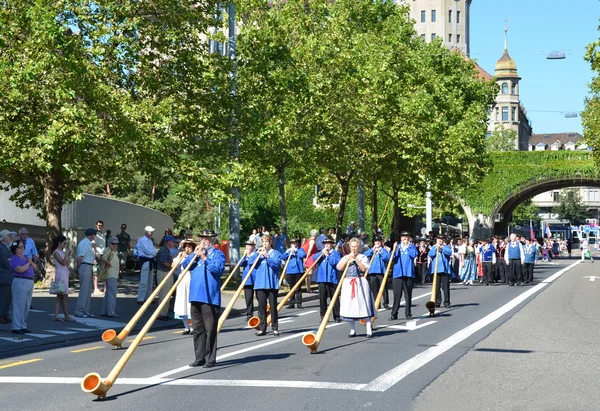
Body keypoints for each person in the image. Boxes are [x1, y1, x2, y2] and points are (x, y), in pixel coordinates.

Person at [186, 230, 225, 368]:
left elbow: (218, 270)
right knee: (197, 329)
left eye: (206, 239)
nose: (203, 241)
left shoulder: (217, 254)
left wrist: (204, 257)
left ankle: (210, 358)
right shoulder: (195, 255)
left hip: (210, 297)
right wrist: (193, 254)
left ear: (212, 240)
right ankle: (199, 357)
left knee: (210, 329)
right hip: (195, 296)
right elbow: (185, 265)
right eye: (202, 238)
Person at [337, 238, 376, 338]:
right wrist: (348, 259)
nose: (354, 248)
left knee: (363, 304)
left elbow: (363, 268)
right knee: (350, 306)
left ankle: (368, 329)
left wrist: (356, 259)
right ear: (349, 247)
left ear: (359, 247)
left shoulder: (363, 257)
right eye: (352, 246)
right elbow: (339, 268)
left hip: (360, 282)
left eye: (356, 246)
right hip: (348, 282)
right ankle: (352, 330)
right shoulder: (346, 257)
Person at [250, 235, 282, 336]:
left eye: (266, 242)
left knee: (273, 307)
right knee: (261, 307)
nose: (264, 244)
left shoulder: (275, 253)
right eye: (263, 242)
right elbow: (250, 263)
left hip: (272, 283)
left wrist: (267, 257)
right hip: (260, 284)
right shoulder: (258, 253)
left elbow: (277, 264)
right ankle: (262, 328)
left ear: (270, 242)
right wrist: (257, 254)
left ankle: (275, 328)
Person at [389, 232, 418, 321]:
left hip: (408, 273)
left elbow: (414, 255)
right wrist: (394, 249)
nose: (404, 238)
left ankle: (408, 313)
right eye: (403, 237)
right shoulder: (397, 246)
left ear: (409, 238)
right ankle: (394, 314)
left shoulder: (412, 246)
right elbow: (391, 258)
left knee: (408, 295)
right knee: (397, 295)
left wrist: (407, 247)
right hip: (398, 274)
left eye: (406, 237)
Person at [10, 239, 36, 334]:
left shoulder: (26, 257)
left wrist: (30, 262)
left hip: (29, 281)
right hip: (20, 280)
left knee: (26, 306)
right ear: (15, 249)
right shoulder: (14, 259)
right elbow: (20, 269)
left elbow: (35, 267)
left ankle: (23, 325)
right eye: (19, 247)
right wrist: (29, 263)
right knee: (19, 305)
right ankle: (16, 326)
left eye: (23, 247)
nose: (22, 249)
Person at [314, 236, 342, 323]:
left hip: (332, 278)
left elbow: (335, 262)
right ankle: (323, 316)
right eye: (326, 244)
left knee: (334, 298)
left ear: (332, 245)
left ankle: (337, 315)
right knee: (322, 298)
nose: (327, 245)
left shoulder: (335, 253)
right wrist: (321, 253)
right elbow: (314, 259)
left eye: (329, 244)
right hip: (322, 278)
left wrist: (327, 255)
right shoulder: (321, 253)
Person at [174, 238, 197, 335]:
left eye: (189, 246)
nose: (187, 248)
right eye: (186, 246)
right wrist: (179, 258)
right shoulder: (181, 255)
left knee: (190, 303)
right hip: (182, 280)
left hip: (191, 279)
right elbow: (173, 266)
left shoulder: (195, 256)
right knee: (182, 302)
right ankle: (186, 327)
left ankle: (192, 327)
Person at [51, 235, 75, 321]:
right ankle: (66, 315)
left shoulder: (63, 253)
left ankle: (56, 314)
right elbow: (63, 263)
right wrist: (67, 254)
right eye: (64, 243)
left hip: (64, 273)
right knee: (63, 295)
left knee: (60, 296)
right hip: (61, 273)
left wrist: (69, 255)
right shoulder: (56, 252)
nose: (65, 245)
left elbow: (67, 264)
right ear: (59, 243)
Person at [75, 228, 97, 318]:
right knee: (84, 290)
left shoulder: (88, 243)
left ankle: (85, 310)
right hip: (84, 266)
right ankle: (79, 311)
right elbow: (80, 257)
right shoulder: (84, 243)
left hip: (88, 266)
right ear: (91, 235)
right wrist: (77, 268)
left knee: (88, 290)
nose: (95, 236)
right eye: (94, 235)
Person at [155, 234, 179, 320]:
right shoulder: (163, 250)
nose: (173, 243)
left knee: (167, 294)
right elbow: (165, 262)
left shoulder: (166, 250)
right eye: (172, 241)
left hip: (167, 272)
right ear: (168, 242)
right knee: (164, 294)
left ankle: (164, 313)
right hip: (163, 273)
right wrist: (173, 266)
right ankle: (161, 314)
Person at [363, 236, 390, 310]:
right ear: (374, 243)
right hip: (372, 271)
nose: (377, 242)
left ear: (381, 242)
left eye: (379, 241)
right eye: (376, 241)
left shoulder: (383, 250)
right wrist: (372, 250)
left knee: (383, 287)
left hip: (381, 271)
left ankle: (386, 303)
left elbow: (387, 258)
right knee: (374, 288)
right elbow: (365, 255)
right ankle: (377, 303)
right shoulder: (371, 250)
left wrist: (380, 252)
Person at [281, 238, 306, 309]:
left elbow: (303, 255)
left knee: (298, 288)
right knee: (291, 288)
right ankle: (291, 303)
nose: (293, 244)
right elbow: (283, 257)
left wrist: (296, 250)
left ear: (297, 243)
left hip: (298, 271)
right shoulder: (288, 251)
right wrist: (287, 252)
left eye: (294, 243)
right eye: (292, 243)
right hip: (290, 271)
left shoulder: (300, 250)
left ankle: (299, 303)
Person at [428, 236, 453, 308]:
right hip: (435, 270)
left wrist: (441, 248)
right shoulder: (433, 247)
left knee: (445, 287)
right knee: (436, 287)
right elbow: (430, 254)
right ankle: (437, 302)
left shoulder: (446, 247)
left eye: (441, 240)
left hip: (445, 270)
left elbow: (449, 252)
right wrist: (436, 248)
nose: (440, 241)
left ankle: (446, 302)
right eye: (439, 239)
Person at [135, 226, 157, 304]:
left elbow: (153, 251)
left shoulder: (150, 241)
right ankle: (140, 298)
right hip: (145, 261)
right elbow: (148, 251)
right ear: (146, 232)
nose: (151, 233)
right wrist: (152, 252)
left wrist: (152, 252)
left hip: (150, 261)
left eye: (152, 232)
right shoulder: (141, 240)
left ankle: (148, 298)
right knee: (144, 281)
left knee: (150, 281)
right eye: (150, 232)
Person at [100, 237, 120, 318]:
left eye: (116, 244)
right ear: (109, 243)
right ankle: (111, 312)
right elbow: (104, 258)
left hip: (114, 274)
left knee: (108, 293)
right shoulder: (109, 250)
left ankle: (105, 311)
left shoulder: (114, 252)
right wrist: (109, 264)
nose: (115, 245)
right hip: (111, 273)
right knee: (112, 293)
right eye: (113, 243)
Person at [238, 240, 258, 320]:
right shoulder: (245, 256)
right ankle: (249, 314)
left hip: (255, 278)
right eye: (246, 245)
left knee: (259, 297)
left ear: (253, 247)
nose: (247, 247)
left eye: (249, 245)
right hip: (247, 279)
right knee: (248, 298)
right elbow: (240, 263)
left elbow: (251, 262)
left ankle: (263, 312)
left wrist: (249, 255)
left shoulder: (256, 254)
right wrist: (244, 256)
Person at [0, 230, 14, 324]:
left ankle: (5, 314)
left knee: (8, 297)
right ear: (4, 237)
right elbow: (5, 262)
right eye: (9, 236)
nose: (10, 237)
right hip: (3, 276)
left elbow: (11, 260)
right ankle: (0, 315)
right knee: (3, 297)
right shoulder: (1, 248)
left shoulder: (7, 248)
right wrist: (11, 261)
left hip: (8, 275)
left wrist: (10, 260)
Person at [302, 229, 319, 293]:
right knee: (309, 273)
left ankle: (307, 287)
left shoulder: (308, 240)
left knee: (307, 273)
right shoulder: (312, 241)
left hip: (308, 257)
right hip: (310, 258)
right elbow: (310, 250)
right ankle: (308, 288)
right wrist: (307, 257)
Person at [92, 220, 106, 294]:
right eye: (98, 225)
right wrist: (94, 256)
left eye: (101, 225)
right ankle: (96, 288)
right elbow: (93, 245)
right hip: (97, 254)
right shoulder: (94, 234)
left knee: (104, 271)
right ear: (96, 225)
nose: (100, 227)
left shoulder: (103, 234)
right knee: (96, 271)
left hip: (103, 254)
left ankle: (105, 288)